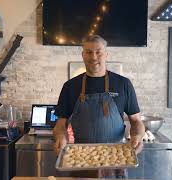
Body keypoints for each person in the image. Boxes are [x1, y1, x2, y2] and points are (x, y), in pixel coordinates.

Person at [54, 35, 145, 178]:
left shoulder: (123, 84)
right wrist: (60, 136)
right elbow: (60, 123)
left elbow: (136, 121)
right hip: (80, 158)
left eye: (98, 52)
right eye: (89, 52)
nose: (94, 57)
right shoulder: (70, 87)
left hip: (116, 159)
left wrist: (138, 135)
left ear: (106, 54)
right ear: (83, 55)